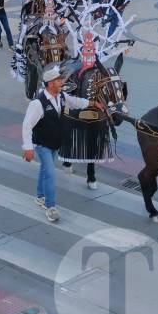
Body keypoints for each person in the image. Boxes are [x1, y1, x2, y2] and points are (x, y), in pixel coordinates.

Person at [21, 64, 96, 223]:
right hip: (42, 145)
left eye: (61, 79)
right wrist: (28, 148)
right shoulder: (38, 103)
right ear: (50, 84)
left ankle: (40, 196)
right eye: (58, 80)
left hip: (55, 143)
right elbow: (27, 125)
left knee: (45, 170)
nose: (62, 82)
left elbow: (75, 101)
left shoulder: (61, 96)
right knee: (50, 172)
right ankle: (51, 207)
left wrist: (92, 104)